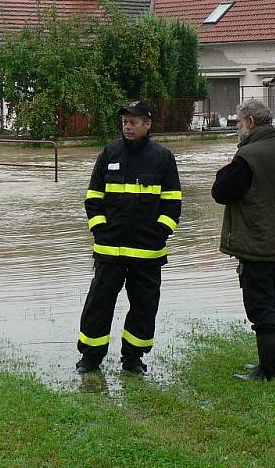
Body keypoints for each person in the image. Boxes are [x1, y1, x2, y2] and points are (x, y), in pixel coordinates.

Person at [76, 101, 182, 375]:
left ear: (148, 124)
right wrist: (100, 229)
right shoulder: (109, 153)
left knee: (144, 308)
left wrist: (159, 233)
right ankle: (90, 359)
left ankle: (133, 359)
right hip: (109, 251)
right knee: (98, 305)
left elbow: (172, 204)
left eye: (133, 121)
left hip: (147, 254)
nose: (127, 125)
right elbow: (93, 198)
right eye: (124, 121)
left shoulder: (162, 157)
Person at [211, 98, 275, 381]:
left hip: (258, 244)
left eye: (239, 122)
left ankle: (268, 371)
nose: (237, 127)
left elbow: (221, 192)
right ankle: (272, 365)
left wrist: (231, 164)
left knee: (260, 307)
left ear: (250, 122)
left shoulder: (249, 156)